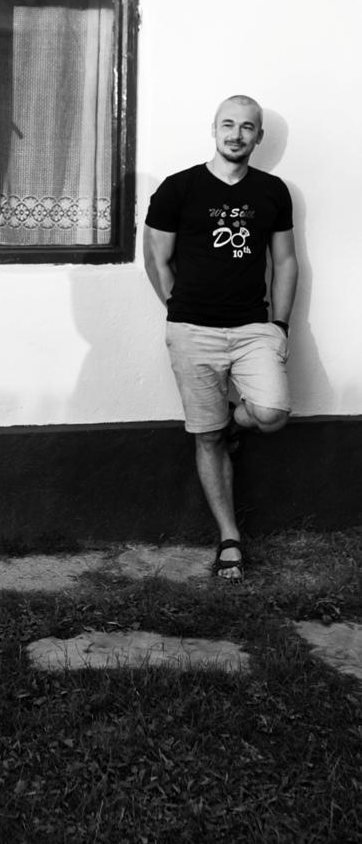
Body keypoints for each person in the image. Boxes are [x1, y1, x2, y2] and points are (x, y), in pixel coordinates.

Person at [143, 95, 298, 581]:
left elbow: (285, 261)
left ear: (258, 136)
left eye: (247, 127)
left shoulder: (272, 191)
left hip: (253, 327)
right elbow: (156, 258)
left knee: (271, 413)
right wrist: (179, 311)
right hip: (193, 330)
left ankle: (237, 418)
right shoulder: (178, 188)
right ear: (213, 129)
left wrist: (280, 325)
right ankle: (230, 537)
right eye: (228, 124)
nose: (236, 134)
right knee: (207, 436)